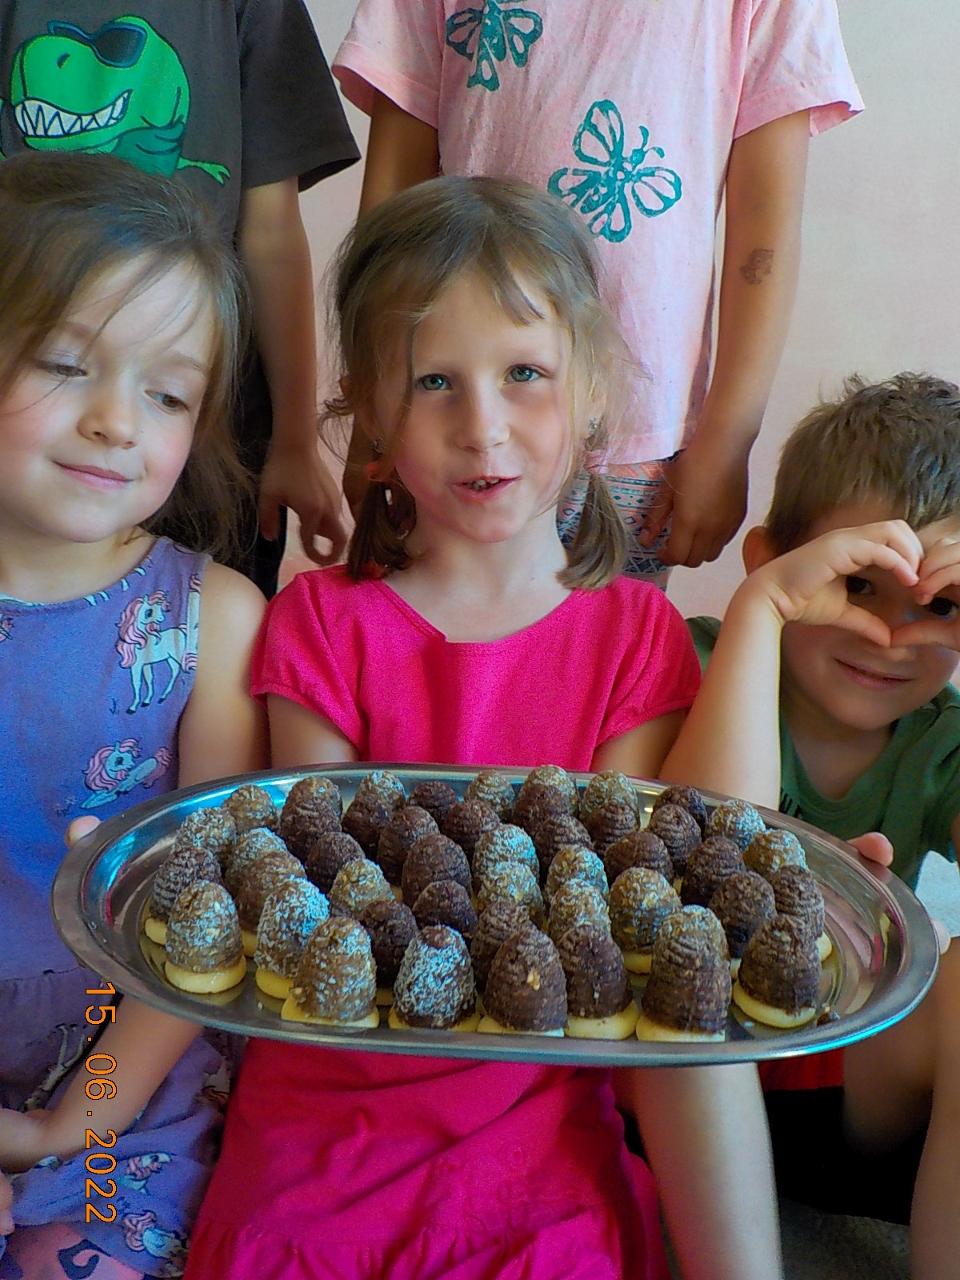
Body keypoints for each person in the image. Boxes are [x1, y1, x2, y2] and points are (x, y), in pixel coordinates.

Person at [184, 176, 782, 1280]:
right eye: (434, 382)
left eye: (524, 373)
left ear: (593, 389)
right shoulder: (319, 623)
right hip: (331, 1106)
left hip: (537, 1106)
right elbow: (331, 889)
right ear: (370, 411)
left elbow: (626, 901)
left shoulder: (636, 636)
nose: (483, 426)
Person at [331, 0, 862, 582]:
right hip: (446, 415)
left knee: (616, 635)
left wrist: (728, 440)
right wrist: (372, 425)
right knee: (430, 627)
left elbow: (764, 233)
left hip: (638, 443)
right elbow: (393, 206)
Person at [0, 152, 267, 1279]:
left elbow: (204, 928)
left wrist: (71, 1125)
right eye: (66, 363)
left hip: (122, 1098)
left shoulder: (216, 621)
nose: (117, 421)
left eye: (167, 393)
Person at [675, 372, 960, 1278]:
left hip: (847, 1088)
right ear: (772, 558)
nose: (891, 634)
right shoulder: (695, 661)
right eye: (859, 584)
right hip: (681, 1072)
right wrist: (762, 609)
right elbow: (712, 849)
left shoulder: (943, 741)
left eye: (941, 606)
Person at [0, 1, 359, 596]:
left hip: (209, 452)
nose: (114, 425)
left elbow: (271, 236)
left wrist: (295, 441)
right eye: (62, 362)